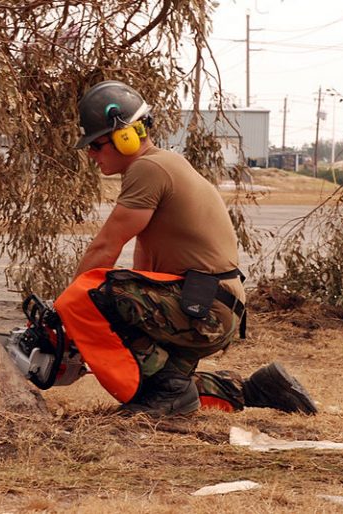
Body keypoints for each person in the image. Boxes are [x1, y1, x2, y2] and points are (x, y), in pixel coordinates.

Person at [51, 80, 316, 417]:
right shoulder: (162, 165)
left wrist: (64, 316)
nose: (90, 153)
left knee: (91, 292)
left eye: (97, 144)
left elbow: (105, 248)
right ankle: (259, 388)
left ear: (125, 137)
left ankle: (171, 393)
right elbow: (143, 268)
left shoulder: (148, 169)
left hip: (203, 309)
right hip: (208, 304)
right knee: (155, 384)